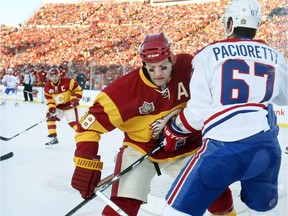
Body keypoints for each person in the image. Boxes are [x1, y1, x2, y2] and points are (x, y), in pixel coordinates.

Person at [70, 32, 236, 216]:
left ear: (172, 59)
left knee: (216, 190)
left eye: (163, 67)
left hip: (186, 146)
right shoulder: (123, 92)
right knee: (124, 204)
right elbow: (87, 126)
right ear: (143, 65)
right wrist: (86, 162)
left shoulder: (187, 67)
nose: (158, 74)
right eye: (151, 68)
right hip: (140, 147)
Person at [160, 0, 288, 215]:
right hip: (266, 149)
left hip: (223, 149)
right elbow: (284, 97)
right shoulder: (275, 55)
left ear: (230, 22)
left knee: (177, 209)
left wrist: (173, 129)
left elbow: (197, 114)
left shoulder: (207, 55)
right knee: (260, 205)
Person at [44, 67, 83, 145]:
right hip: (59, 107)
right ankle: (54, 138)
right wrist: (52, 108)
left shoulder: (69, 82)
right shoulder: (47, 88)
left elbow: (78, 90)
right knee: (50, 116)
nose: (54, 78)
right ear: (50, 77)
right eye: (52, 76)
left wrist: (74, 99)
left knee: (73, 123)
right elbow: (50, 100)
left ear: (59, 76)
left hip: (70, 105)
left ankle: (84, 137)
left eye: (56, 76)